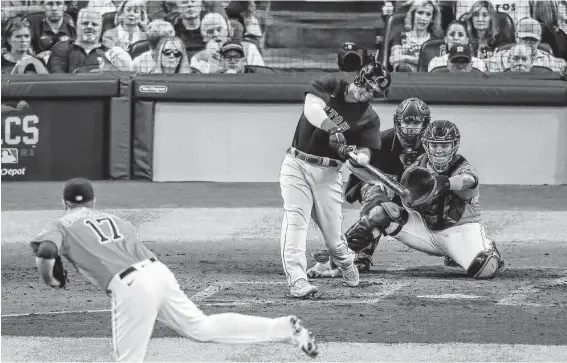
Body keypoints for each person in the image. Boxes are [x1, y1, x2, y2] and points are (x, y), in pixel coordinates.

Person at [30, 178, 319, 362]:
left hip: (131, 287)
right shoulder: (118, 220)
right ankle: (282, 327)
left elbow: (45, 251)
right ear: (94, 200)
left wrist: (50, 279)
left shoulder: (60, 224)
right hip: (158, 273)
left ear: (65, 202)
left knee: (129, 359)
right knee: (202, 328)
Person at [336, 120, 505, 279]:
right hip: (425, 230)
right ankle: (339, 258)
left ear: (454, 146)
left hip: (459, 231)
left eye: (445, 145)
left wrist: (445, 183)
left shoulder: (461, 166)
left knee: (485, 268)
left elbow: (469, 180)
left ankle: (488, 248)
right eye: (434, 145)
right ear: (426, 145)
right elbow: (407, 197)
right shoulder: (418, 166)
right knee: (382, 212)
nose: (439, 150)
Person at [279, 62, 392, 298]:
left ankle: (345, 260)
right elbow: (312, 108)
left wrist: (357, 155)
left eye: (374, 93)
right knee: (295, 220)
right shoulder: (331, 85)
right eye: (368, 87)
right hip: (296, 163)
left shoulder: (369, 118)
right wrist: (332, 128)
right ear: (361, 78)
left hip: (328, 174)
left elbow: (366, 152)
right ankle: (298, 281)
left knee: (333, 239)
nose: (369, 94)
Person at [307, 98, 430, 276]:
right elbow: (354, 164)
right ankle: (362, 254)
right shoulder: (381, 140)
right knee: (377, 195)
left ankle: (450, 248)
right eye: (406, 121)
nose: (410, 127)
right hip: (377, 185)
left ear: (424, 124)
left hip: (414, 192)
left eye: (416, 122)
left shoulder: (431, 146)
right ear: (398, 122)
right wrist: (377, 180)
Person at [486, 17, 567, 72]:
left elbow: (562, 66)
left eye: (533, 40)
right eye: (525, 39)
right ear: (516, 37)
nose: (528, 44)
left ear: (539, 40)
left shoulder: (550, 62)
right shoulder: (499, 59)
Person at [389, 0, 443, 72]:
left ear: (432, 19)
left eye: (428, 14)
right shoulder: (400, 36)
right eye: (420, 13)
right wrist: (419, 61)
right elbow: (395, 60)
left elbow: (433, 64)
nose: (423, 18)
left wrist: (405, 58)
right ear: (413, 14)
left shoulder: (434, 42)